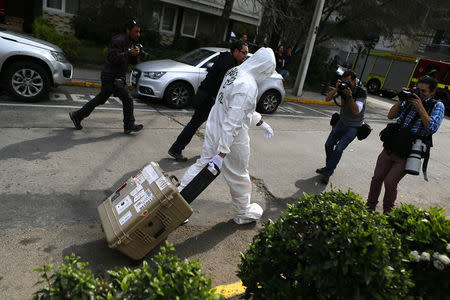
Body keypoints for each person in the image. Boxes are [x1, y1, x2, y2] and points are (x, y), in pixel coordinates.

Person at [178, 47, 276, 225]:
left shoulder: (235, 71)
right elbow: (234, 120)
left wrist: (261, 122)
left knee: (201, 165)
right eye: (267, 72)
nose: (266, 75)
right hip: (232, 139)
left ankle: (176, 205)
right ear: (262, 67)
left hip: (215, 126)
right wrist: (223, 152)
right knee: (239, 176)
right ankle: (243, 212)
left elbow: (238, 108)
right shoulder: (248, 84)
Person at [367, 76, 444, 213]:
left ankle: (387, 212)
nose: (419, 93)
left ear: (432, 92)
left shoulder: (437, 105)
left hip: (408, 152)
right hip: (391, 145)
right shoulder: (408, 99)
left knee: (390, 182)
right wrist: (401, 99)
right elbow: (390, 116)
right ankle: (370, 206)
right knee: (377, 178)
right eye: (417, 89)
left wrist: (420, 106)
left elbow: (431, 127)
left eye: (423, 91)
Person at [168, 40, 249, 161]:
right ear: (236, 51)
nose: (245, 56)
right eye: (244, 53)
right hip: (208, 99)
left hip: (209, 98)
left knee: (209, 126)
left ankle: (185, 149)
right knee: (197, 125)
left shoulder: (228, 60)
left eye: (246, 54)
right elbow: (223, 86)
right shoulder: (227, 64)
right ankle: (177, 149)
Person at [69, 20, 144, 134]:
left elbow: (127, 60)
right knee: (127, 99)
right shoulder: (118, 40)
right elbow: (112, 57)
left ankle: (77, 115)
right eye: (136, 31)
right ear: (128, 30)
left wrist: (136, 55)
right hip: (111, 77)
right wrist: (129, 53)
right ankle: (129, 125)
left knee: (102, 99)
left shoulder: (129, 42)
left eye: (139, 32)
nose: (138, 34)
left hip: (116, 77)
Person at [316, 70, 367, 184]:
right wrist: (336, 88)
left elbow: (356, 111)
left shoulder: (361, 91)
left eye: (348, 81)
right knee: (328, 145)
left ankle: (327, 172)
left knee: (339, 149)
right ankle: (329, 167)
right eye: (344, 81)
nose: (346, 84)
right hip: (342, 122)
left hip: (353, 126)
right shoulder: (342, 87)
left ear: (354, 80)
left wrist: (349, 96)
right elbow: (327, 99)